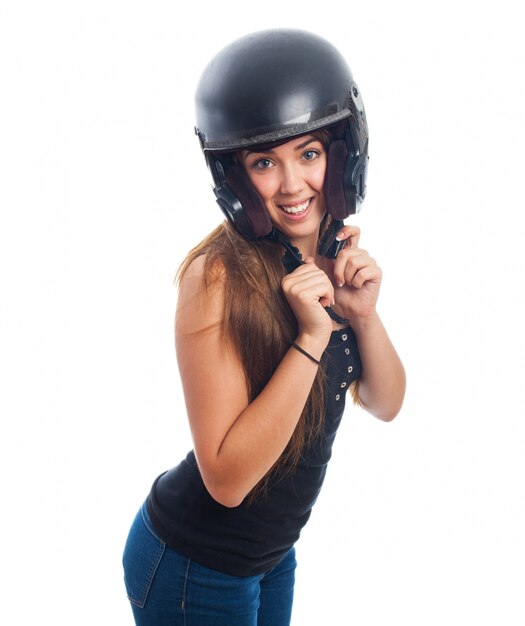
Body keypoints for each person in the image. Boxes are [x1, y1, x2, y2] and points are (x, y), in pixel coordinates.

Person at [122, 28, 405, 626]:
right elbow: (225, 480)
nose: (292, 183)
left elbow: (385, 402)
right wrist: (310, 338)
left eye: (308, 153)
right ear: (236, 179)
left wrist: (361, 314)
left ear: (341, 154)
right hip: (194, 562)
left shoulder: (331, 261)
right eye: (263, 163)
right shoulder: (217, 276)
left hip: (271, 556)